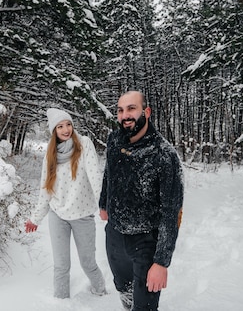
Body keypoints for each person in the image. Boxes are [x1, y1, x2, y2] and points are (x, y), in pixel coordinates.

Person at [99, 91, 184, 310]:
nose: (125, 115)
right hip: (115, 236)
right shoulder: (114, 140)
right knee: (124, 290)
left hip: (146, 242)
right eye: (120, 110)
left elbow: (171, 212)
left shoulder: (164, 155)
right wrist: (104, 203)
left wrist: (161, 262)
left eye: (131, 108)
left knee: (144, 306)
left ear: (146, 112)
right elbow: (109, 172)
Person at [25, 108, 107, 299]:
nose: (65, 129)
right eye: (60, 126)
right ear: (54, 130)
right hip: (58, 215)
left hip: (82, 214)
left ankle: (101, 294)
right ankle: (61, 302)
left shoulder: (84, 144)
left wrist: (103, 205)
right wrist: (35, 218)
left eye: (68, 124)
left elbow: (95, 176)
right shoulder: (51, 153)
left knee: (88, 263)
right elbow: (46, 188)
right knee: (61, 265)